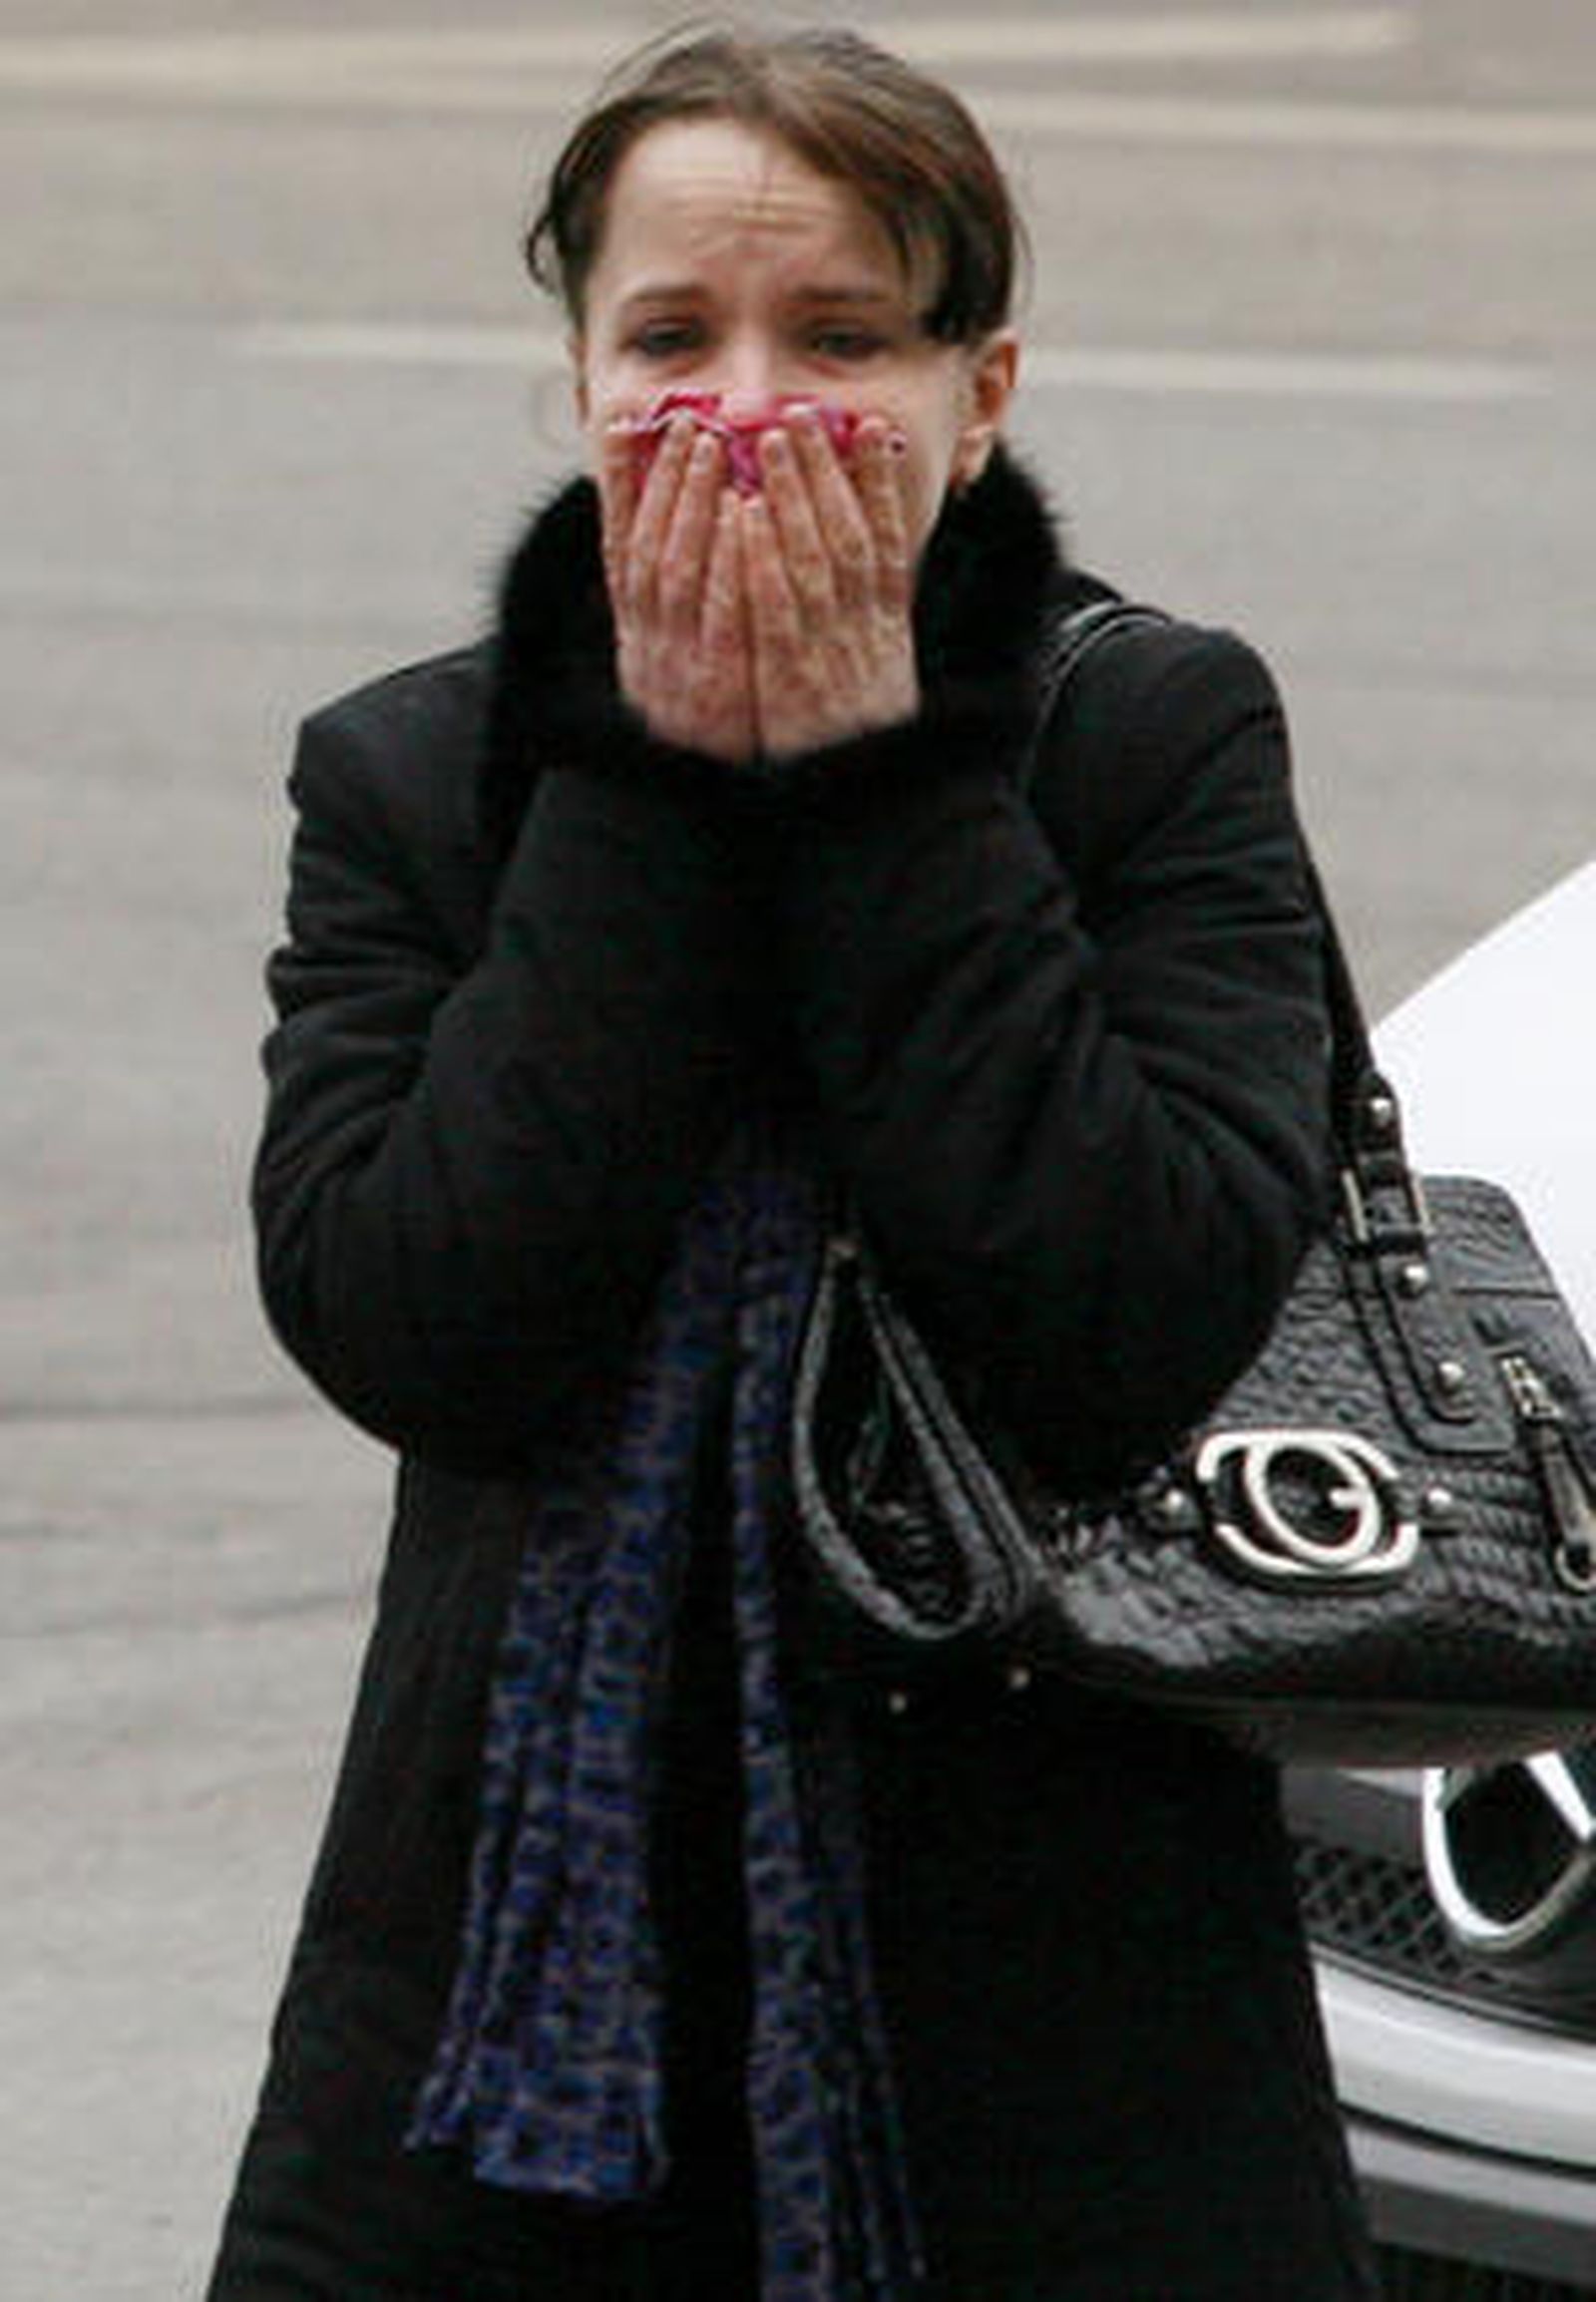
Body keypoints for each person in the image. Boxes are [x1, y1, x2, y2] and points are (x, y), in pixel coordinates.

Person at [205, 24, 1379, 2302]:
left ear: (983, 390)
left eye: (839, 337)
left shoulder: (1145, 739)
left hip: (1053, 1986)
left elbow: (1124, 1313)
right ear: (575, 381)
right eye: (671, 337)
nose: (744, 408)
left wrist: (880, 785)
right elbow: (423, 1314)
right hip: (509, 1978)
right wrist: (641, 779)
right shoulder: (413, 773)